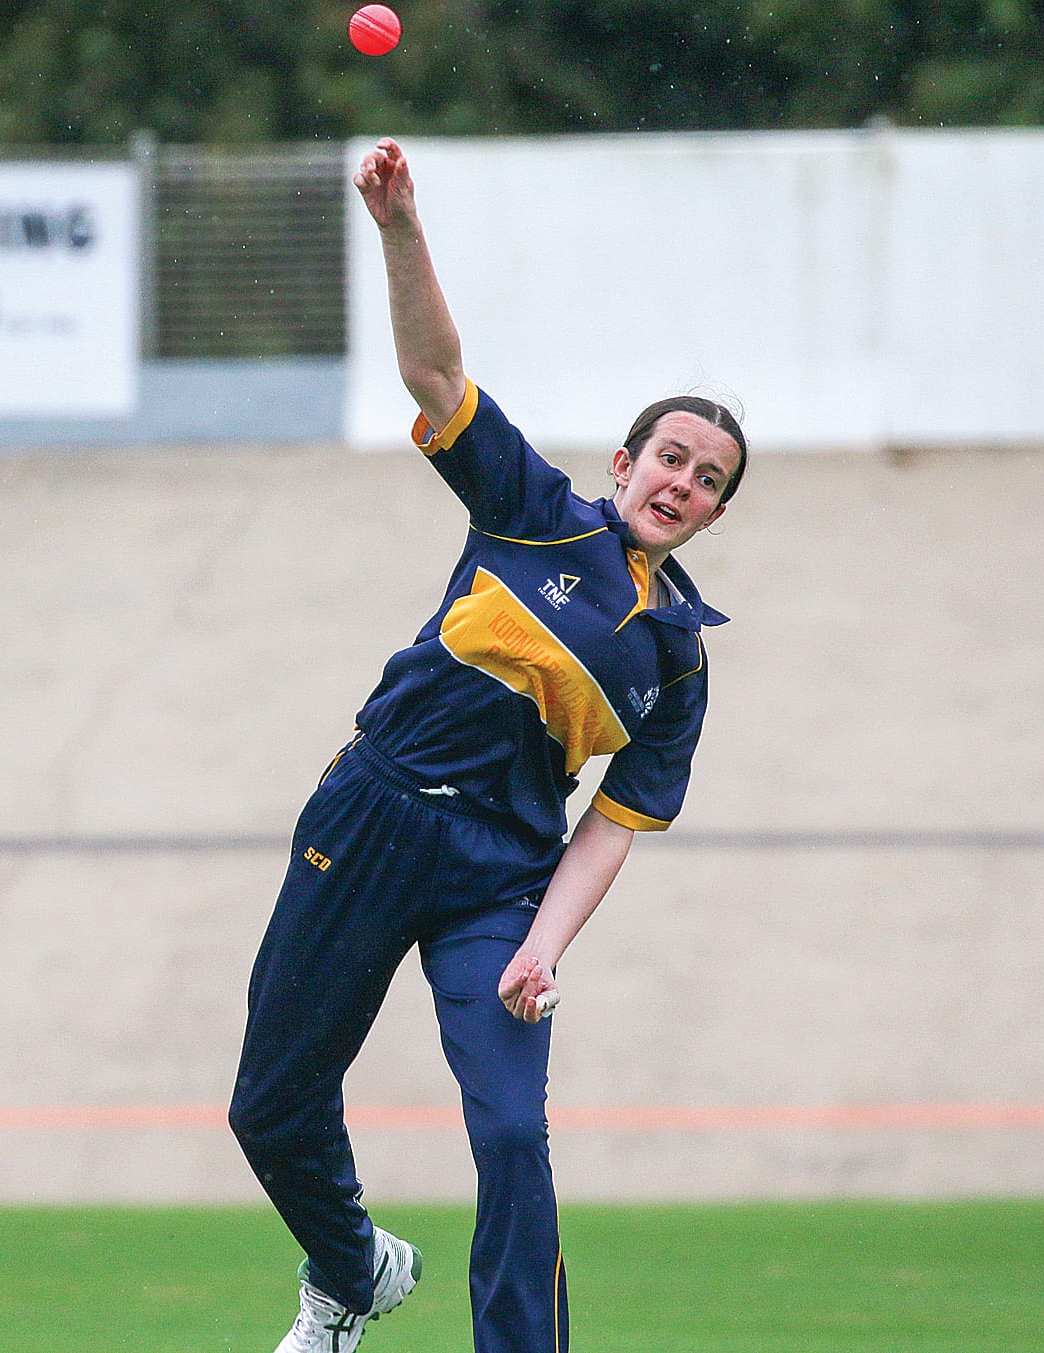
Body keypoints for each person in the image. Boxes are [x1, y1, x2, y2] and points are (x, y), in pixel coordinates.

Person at [228, 139, 748, 1353]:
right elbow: (433, 367)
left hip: (500, 881)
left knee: (513, 1136)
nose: (679, 482)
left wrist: (543, 948)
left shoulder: (676, 661)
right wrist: (400, 228)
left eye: (706, 479)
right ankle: (350, 1270)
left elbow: (612, 827)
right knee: (271, 1108)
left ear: (716, 512)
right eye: (667, 457)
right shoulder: (527, 510)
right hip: (370, 813)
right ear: (624, 464)